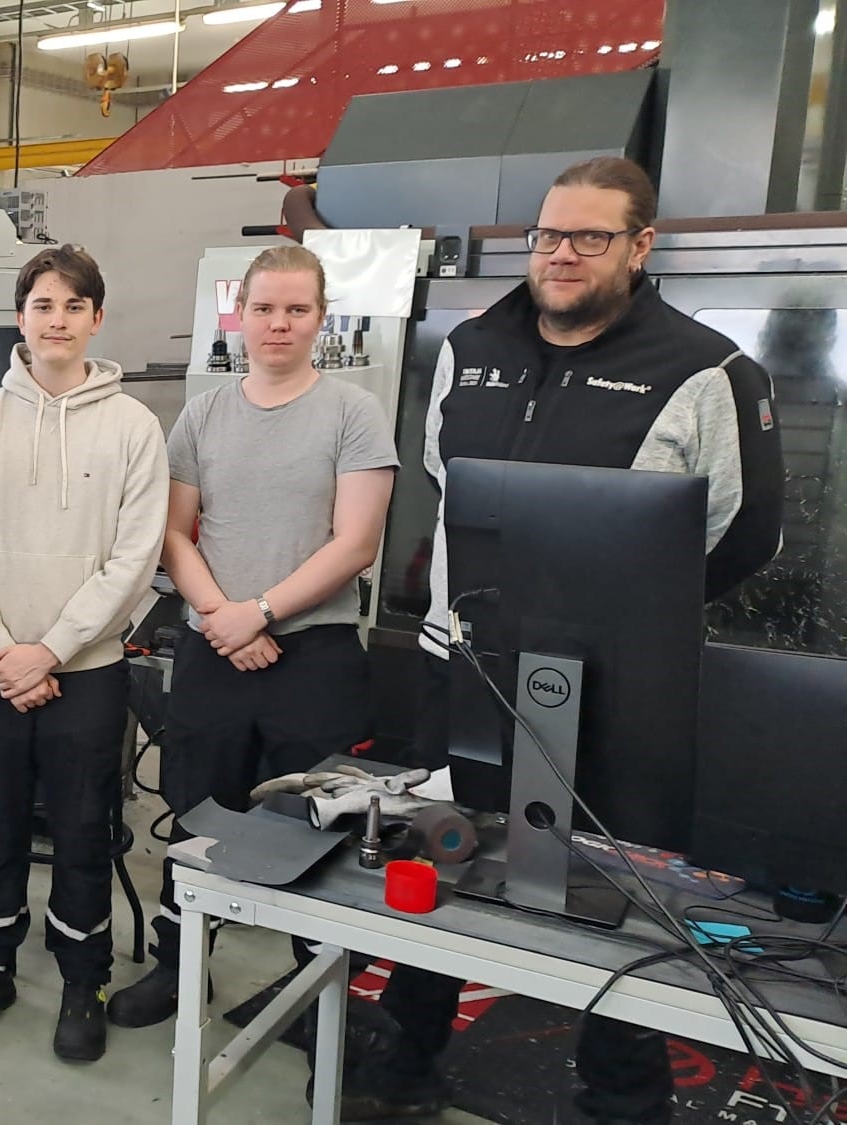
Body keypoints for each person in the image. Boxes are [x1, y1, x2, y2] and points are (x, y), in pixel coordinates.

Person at [348, 156, 784, 1124]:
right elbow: (446, 483)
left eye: (590, 237)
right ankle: (405, 1054)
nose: (560, 254)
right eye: (547, 235)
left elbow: (747, 533)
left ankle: (620, 1095)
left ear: (639, 246)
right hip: (462, 666)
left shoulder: (706, 371)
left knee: (622, 896)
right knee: (442, 854)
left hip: (615, 695)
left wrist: (634, 625)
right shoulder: (469, 346)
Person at [107, 245, 399, 1029]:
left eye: (296, 309)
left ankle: (318, 994)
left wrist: (259, 611)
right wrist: (221, 616)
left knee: (318, 825)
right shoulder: (204, 414)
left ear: (321, 319)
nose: (278, 323)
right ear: (240, 315)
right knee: (196, 811)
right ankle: (178, 965)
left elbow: (356, 543)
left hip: (315, 657)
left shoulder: (353, 413)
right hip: (214, 647)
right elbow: (172, 532)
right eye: (264, 308)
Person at [0, 245, 168, 1063]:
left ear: (96, 318)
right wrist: (4, 650)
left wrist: (52, 651)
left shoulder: (134, 427)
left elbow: (134, 560)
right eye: (42, 304)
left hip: (89, 673)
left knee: (82, 830)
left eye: (73, 306)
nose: (57, 320)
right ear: (20, 317)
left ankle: (82, 978)